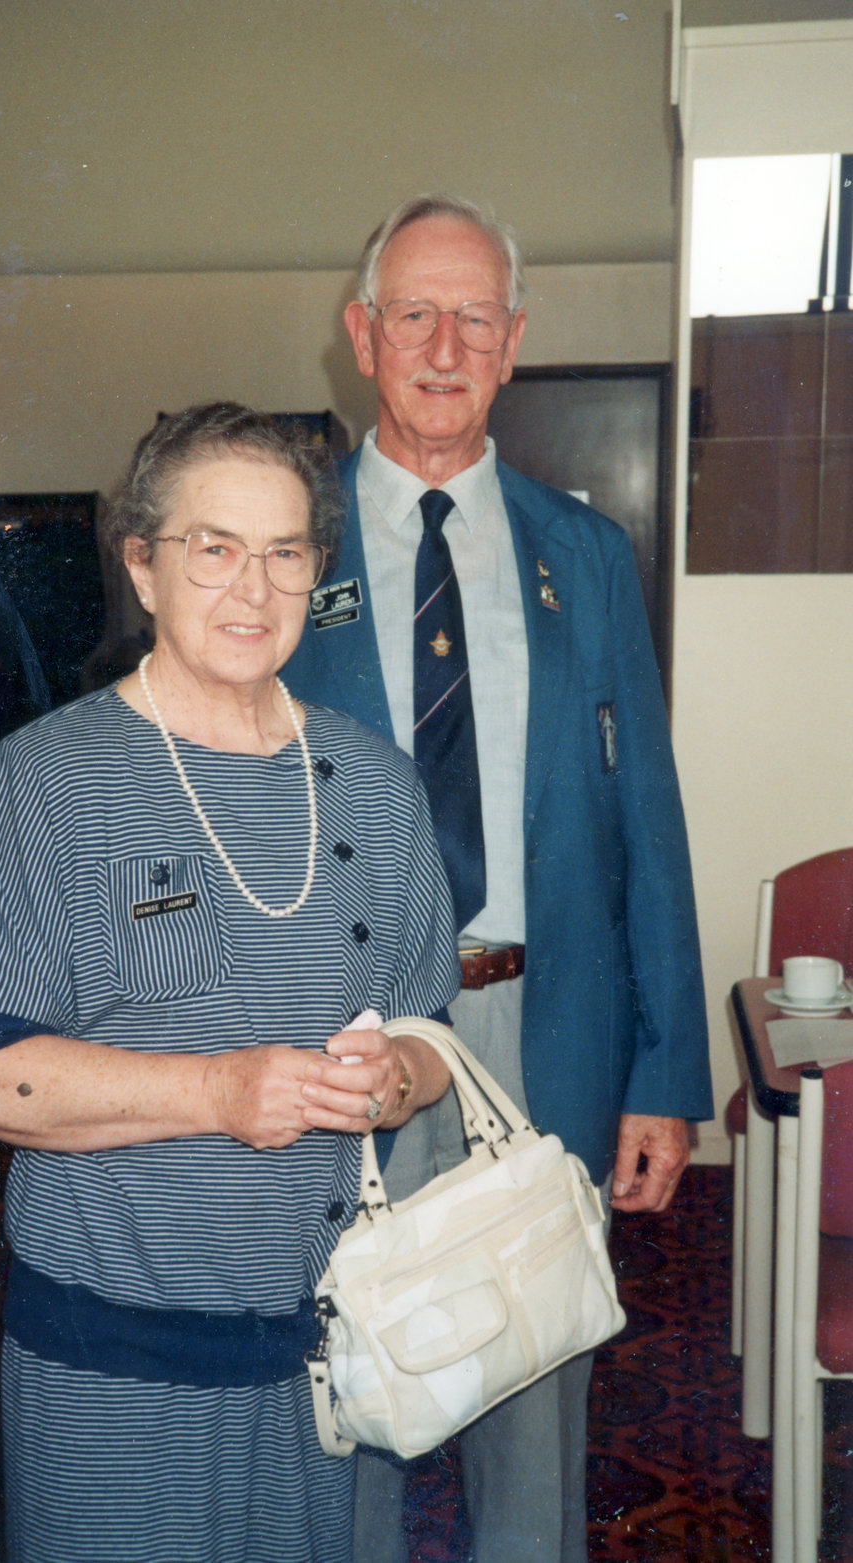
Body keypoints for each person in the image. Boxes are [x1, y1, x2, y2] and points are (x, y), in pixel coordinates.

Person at [0, 402, 462, 1563]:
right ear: (143, 567)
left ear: (319, 572)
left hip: (322, 1366)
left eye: (285, 553)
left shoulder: (373, 785)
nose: (252, 591)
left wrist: (397, 1079)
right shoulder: (51, 778)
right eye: (212, 548)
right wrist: (217, 1092)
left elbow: (429, 1036)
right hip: (110, 1369)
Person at [284, 195, 714, 1563]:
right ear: (362, 334)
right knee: (346, 1392)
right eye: (414, 310)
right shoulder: (280, 556)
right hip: (337, 1043)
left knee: (534, 1401)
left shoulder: (584, 557)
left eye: (476, 314)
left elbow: (649, 821)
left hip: (546, 1033)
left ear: (515, 341)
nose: (444, 342)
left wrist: (662, 1071)